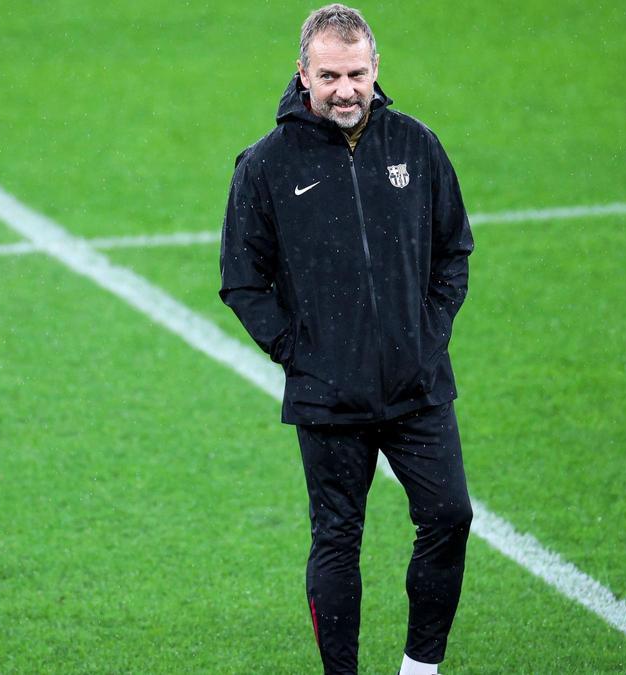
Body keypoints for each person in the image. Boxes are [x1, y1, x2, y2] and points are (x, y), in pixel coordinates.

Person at [218, 4, 474, 674]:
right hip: (328, 394)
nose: (345, 89)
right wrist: (299, 351)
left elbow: (454, 249)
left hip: (418, 384)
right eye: (329, 74)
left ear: (375, 68)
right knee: (338, 539)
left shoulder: (416, 145)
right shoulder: (266, 166)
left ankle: (421, 668)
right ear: (303, 73)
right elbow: (242, 280)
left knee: (450, 515)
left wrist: (431, 331)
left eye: (356, 73)